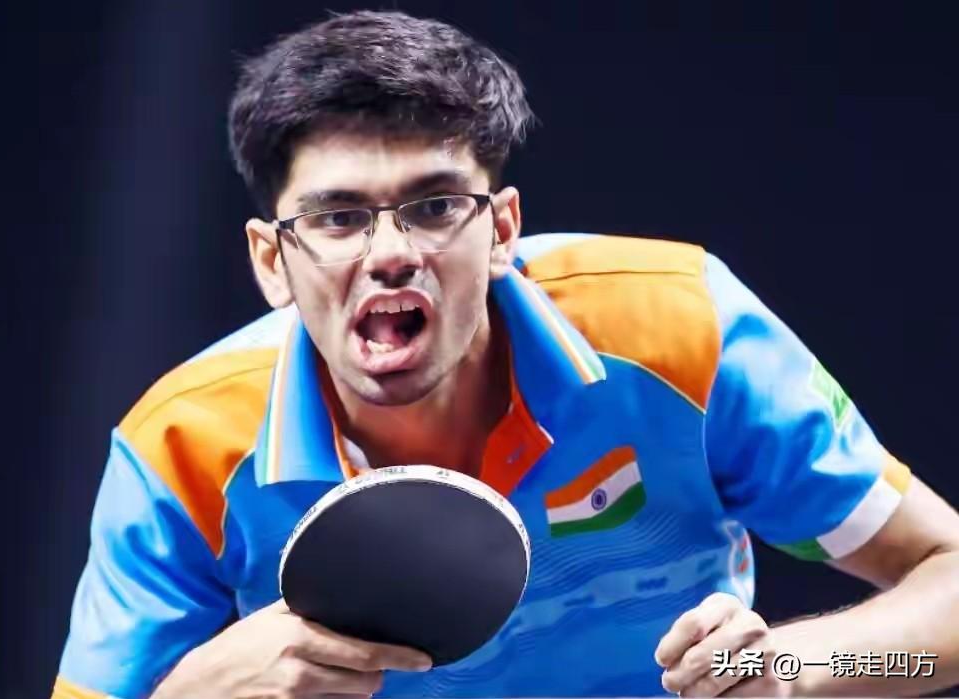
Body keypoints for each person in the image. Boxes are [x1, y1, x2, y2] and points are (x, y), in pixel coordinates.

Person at [52, 10, 959, 699]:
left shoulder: (680, 330)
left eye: (435, 206)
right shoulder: (181, 450)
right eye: (337, 217)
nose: (391, 252)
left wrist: (802, 667)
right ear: (270, 260)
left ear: (502, 229)